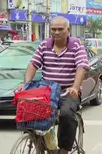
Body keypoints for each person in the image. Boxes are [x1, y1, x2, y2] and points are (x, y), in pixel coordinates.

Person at [17, 16, 89, 154]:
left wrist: (75, 87)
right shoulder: (44, 45)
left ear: (68, 30)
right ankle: (45, 143)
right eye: (53, 29)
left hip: (67, 91)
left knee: (66, 115)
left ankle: (63, 150)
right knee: (32, 111)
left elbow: (81, 66)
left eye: (60, 29)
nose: (56, 32)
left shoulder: (76, 45)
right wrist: (26, 85)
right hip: (47, 90)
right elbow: (33, 64)